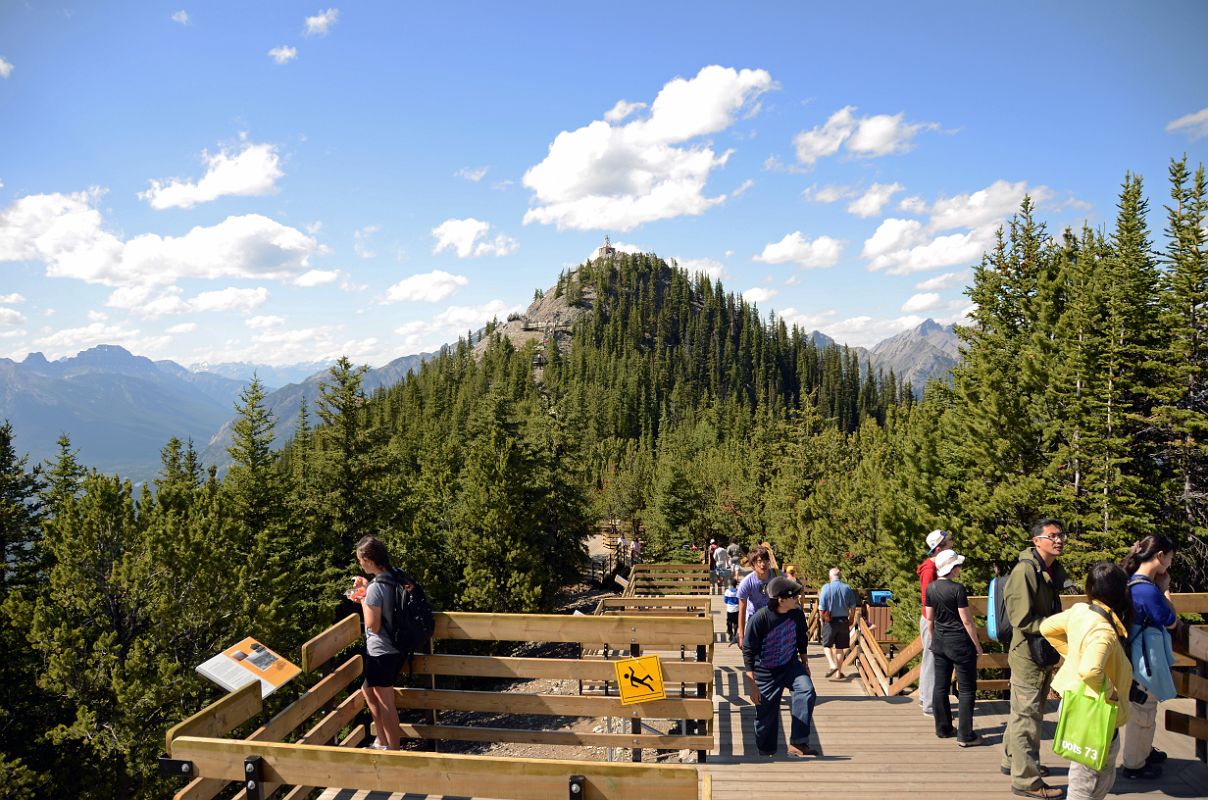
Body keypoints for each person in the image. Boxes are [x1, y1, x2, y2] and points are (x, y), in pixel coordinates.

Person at [1041, 562, 1133, 800]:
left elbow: (1047, 627)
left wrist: (1072, 654)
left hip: (1077, 700)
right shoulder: (1104, 631)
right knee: (1088, 778)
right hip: (1095, 709)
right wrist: (1110, 690)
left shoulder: (1080, 610)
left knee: (1092, 772)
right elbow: (1091, 670)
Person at [1000, 518, 1070, 800]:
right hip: (1027, 653)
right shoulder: (1025, 571)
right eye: (1052, 536)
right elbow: (1021, 618)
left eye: (1061, 535)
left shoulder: (1049, 570)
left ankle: (1012, 760)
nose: (1059, 540)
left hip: (1039, 650)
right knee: (1028, 717)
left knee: (1025, 712)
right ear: (1036, 540)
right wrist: (1058, 625)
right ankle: (1027, 781)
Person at [1120, 534, 1179, 780]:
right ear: (1159, 556)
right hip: (1144, 660)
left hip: (1136, 656)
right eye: (1170, 559)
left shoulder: (1133, 583)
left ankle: (1143, 751)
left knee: (1143, 708)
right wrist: (1165, 592)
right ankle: (1134, 764)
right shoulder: (1147, 589)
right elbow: (1172, 621)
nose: (1170, 564)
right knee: (1143, 711)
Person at [742, 575, 817, 757]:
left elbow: (801, 639)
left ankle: (798, 743)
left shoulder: (797, 613)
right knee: (767, 715)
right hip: (766, 671)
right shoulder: (760, 619)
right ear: (781, 600)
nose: (797, 599)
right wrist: (752, 685)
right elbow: (748, 652)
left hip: (791, 665)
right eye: (794, 597)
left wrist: (805, 663)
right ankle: (766, 751)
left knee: (806, 691)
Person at [351, 535, 405, 751]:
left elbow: (372, 625)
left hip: (381, 651)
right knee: (368, 690)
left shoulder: (375, 588)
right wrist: (367, 587)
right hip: (396, 647)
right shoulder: (393, 576)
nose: (360, 564)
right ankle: (382, 740)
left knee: (386, 703)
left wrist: (363, 598)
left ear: (369, 560)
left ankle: (393, 750)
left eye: (360, 560)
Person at [926, 549, 985, 746]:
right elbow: (967, 620)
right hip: (959, 643)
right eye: (958, 565)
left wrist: (934, 639)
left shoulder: (931, 588)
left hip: (940, 642)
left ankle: (943, 728)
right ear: (952, 568)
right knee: (967, 689)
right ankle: (965, 735)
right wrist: (977, 645)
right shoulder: (958, 589)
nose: (960, 568)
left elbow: (929, 619)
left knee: (940, 686)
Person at [918, 529, 953, 717]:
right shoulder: (930, 568)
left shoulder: (934, 566)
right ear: (939, 548)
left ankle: (925, 698)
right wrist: (934, 623)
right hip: (932, 619)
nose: (953, 544)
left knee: (929, 660)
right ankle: (930, 705)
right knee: (932, 660)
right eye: (950, 542)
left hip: (934, 619)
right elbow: (927, 598)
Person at [818, 567, 859, 679]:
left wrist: (822, 619)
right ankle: (838, 673)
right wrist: (851, 618)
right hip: (843, 620)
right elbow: (853, 606)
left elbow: (821, 607)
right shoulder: (847, 588)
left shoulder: (826, 588)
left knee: (826, 645)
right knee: (840, 648)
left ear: (830, 576)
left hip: (830, 621)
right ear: (839, 576)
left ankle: (832, 665)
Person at [736, 545, 776, 648]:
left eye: (766, 560)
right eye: (759, 561)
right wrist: (741, 635)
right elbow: (742, 609)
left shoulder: (776, 576)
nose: (763, 564)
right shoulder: (746, 583)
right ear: (753, 564)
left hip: (772, 620)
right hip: (754, 619)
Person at [724, 576, 740, 644]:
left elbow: (725, 601)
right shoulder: (738, 591)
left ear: (730, 585)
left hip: (730, 609)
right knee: (736, 622)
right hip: (737, 609)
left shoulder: (727, 591)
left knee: (729, 622)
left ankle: (730, 633)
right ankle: (735, 634)